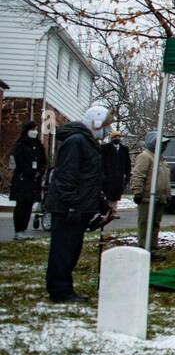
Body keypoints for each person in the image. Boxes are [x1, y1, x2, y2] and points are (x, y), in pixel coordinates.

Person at [44, 105, 112, 302]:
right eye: (106, 124)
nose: (108, 129)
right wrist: (72, 205)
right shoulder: (76, 142)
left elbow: (89, 179)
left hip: (78, 207)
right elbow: (66, 176)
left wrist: (101, 203)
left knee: (72, 249)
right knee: (63, 250)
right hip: (68, 208)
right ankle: (60, 290)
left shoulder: (88, 143)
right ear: (96, 123)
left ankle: (63, 287)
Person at [130, 131, 171, 256]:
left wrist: (168, 194)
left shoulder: (161, 159)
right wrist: (137, 191)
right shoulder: (145, 156)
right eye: (161, 144)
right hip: (147, 197)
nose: (164, 147)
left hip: (160, 198)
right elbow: (138, 174)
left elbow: (165, 179)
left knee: (155, 224)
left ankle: (153, 246)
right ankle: (144, 248)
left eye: (165, 144)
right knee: (145, 224)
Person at [6, 120, 46, 241]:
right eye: (32, 129)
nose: (35, 132)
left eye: (36, 129)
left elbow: (43, 160)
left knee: (29, 205)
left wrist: (40, 171)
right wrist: (30, 172)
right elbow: (19, 162)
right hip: (22, 180)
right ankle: (18, 230)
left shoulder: (38, 145)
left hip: (34, 181)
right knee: (21, 205)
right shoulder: (21, 145)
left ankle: (24, 229)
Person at [99, 128, 132, 206]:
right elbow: (101, 162)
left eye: (118, 137)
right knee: (108, 194)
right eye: (115, 137)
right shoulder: (105, 148)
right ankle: (109, 211)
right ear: (112, 138)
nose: (117, 138)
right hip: (108, 176)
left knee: (116, 195)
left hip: (119, 176)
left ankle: (114, 210)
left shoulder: (124, 149)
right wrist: (102, 174)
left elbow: (128, 163)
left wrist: (127, 175)